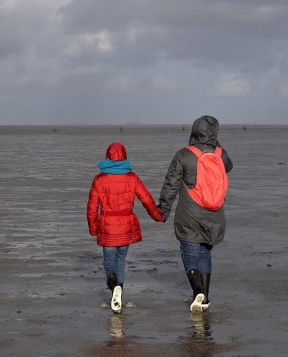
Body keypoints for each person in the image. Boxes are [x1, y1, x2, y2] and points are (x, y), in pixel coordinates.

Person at [158, 115, 234, 313]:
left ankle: (197, 290)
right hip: (214, 215)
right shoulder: (221, 154)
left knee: (190, 254)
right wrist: (215, 145)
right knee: (205, 255)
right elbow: (229, 166)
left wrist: (163, 210)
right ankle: (205, 298)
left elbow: (171, 185)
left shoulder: (184, 155)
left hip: (189, 214)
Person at [87, 142, 165, 313]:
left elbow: (92, 207)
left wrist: (93, 228)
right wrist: (158, 216)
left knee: (109, 261)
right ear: (124, 156)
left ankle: (113, 285)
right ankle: (119, 294)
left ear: (107, 156)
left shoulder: (99, 180)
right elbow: (147, 200)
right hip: (125, 226)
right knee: (121, 260)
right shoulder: (132, 178)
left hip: (107, 226)